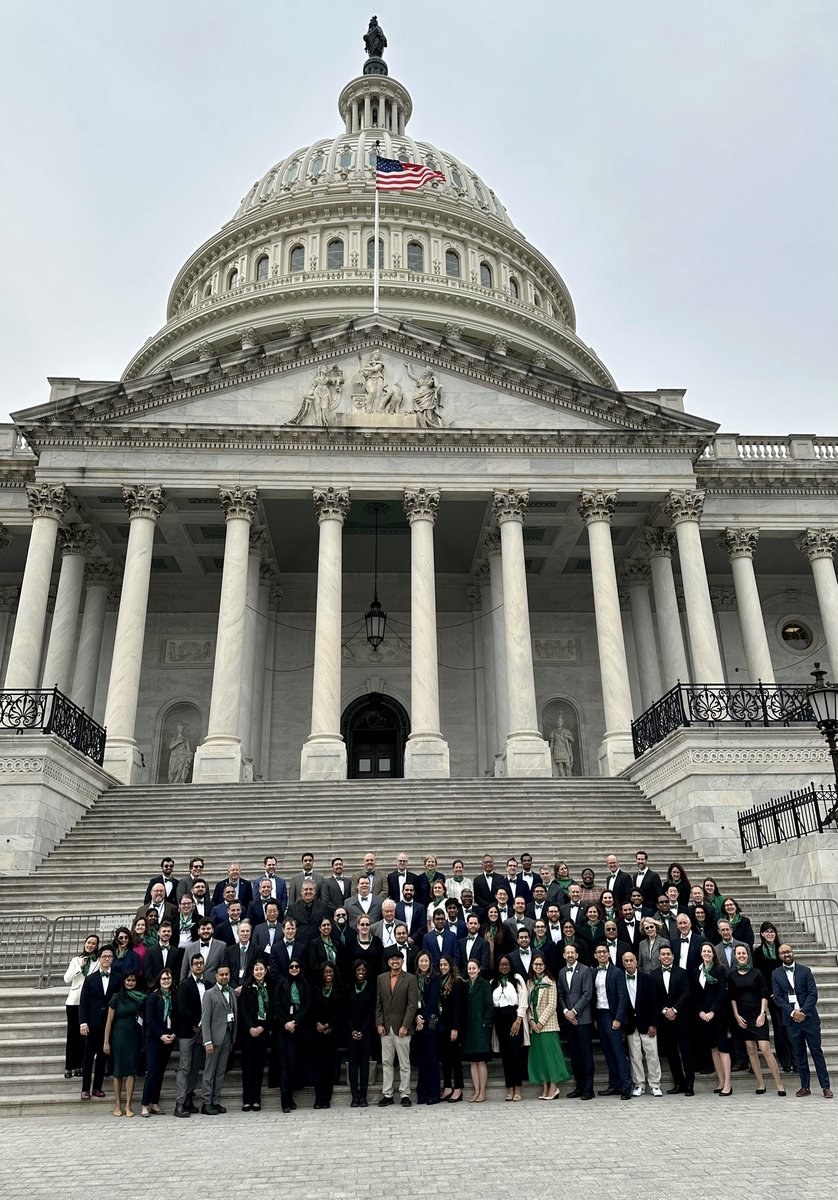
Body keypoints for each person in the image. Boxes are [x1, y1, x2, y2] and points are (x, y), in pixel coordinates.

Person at [772, 944, 832, 1099]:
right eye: (783, 952)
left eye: (788, 951)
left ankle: (826, 1087)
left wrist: (803, 1012)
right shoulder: (776, 974)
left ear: (793, 953)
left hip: (809, 1019)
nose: (786, 954)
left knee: (816, 1052)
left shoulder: (805, 971)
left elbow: (813, 994)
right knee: (799, 1054)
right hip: (792, 1021)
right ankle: (805, 1086)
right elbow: (778, 997)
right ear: (779, 956)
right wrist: (793, 1013)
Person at [728, 943, 785, 1095]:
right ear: (735, 956)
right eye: (739, 954)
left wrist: (762, 1013)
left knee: (765, 1048)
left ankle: (779, 1084)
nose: (741, 956)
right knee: (751, 1049)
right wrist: (736, 1015)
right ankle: (761, 1084)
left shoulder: (756, 973)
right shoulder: (732, 975)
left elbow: (764, 994)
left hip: (758, 1014)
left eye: (744, 953)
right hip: (743, 1016)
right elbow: (732, 997)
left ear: (747, 955)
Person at [376, 945, 418, 1107]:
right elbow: (378, 1003)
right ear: (388, 962)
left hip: (402, 1028)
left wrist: (406, 1025)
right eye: (392, 959)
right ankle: (387, 1094)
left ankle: (405, 1094)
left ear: (402, 961)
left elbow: (412, 1005)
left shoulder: (410, 979)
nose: (395, 961)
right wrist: (379, 1023)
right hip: (386, 1027)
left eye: (398, 959)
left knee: (404, 1063)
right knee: (387, 1062)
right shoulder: (381, 978)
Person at [590, 943, 633, 1099]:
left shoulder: (617, 972)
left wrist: (618, 1018)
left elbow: (623, 997)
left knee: (618, 1052)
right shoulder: (594, 973)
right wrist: (595, 1018)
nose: (602, 954)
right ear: (595, 955)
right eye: (599, 952)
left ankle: (626, 1086)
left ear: (608, 954)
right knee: (608, 1052)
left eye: (604, 952)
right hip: (600, 1015)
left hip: (612, 1015)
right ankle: (614, 1085)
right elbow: (593, 996)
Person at [527, 954, 571, 1101]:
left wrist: (540, 1022)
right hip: (534, 1026)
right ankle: (545, 1085)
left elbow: (552, 1005)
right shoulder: (530, 983)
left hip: (547, 1026)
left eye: (540, 964)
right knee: (540, 1058)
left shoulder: (550, 982)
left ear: (545, 966)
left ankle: (554, 1086)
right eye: (535, 964)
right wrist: (531, 1020)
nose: (538, 967)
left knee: (551, 1058)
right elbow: (528, 1004)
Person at [651, 944, 694, 1095]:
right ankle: (678, 1083)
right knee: (671, 1053)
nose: (666, 957)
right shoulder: (653, 974)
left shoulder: (682, 972)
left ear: (673, 956)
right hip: (665, 1020)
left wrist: (674, 1009)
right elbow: (653, 997)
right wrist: (664, 1011)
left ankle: (690, 1084)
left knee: (686, 1051)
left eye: (668, 954)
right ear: (659, 957)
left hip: (681, 1017)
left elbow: (687, 993)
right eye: (663, 954)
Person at [690, 941, 731, 1096]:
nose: (706, 953)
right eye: (704, 951)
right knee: (713, 1048)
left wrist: (713, 1011)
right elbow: (695, 995)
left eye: (709, 951)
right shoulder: (696, 971)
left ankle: (728, 1084)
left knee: (723, 1048)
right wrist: (700, 1011)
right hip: (704, 1016)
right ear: (701, 954)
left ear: (713, 954)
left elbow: (722, 993)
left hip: (718, 1015)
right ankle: (720, 1081)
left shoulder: (720, 970)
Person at [103, 970, 145, 1117]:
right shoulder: (116, 997)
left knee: (131, 1070)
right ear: (123, 981)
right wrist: (106, 1041)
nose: (130, 983)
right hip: (119, 1036)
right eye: (128, 980)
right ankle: (117, 1104)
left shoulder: (140, 997)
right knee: (119, 1070)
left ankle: (128, 1105)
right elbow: (109, 1021)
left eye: (133, 980)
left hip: (134, 1035)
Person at [621, 950, 663, 1097]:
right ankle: (639, 1084)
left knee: (652, 1054)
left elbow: (654, 1002)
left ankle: (655, 1084)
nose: (629, 963)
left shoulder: (647, 979)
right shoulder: (620, 979)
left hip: (647, 1023)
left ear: (636, 962)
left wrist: (653, 1023)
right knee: (635, 1056)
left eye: (631, 960)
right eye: (626, 961)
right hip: (631, 1024)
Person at [78, 945, 116, 1101]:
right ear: (99, 958)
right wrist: (83, 1022)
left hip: (108, 1024)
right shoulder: (90, 979)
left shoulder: (118, 977)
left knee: (102, 1056)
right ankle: (85, 1089)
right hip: (92, 1023)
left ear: (113, 959)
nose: (106, 959)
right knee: (88, 1057)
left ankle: (97, 1088)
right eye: (104, 956)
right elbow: (83, 1002)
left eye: (109, 956)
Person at [556, 943, 594, 1099]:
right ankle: (579, 1086)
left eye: (573, 952)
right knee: (574, 1055)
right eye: (568, 953)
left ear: (577, 955)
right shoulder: (561, 972)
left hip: (583, 1019)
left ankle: (588, 1089)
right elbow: (560, 994)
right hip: (568, 1020)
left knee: (586, 1055)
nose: (570, 955)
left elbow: (587, 994)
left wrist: (574, 1011)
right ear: (564, 955)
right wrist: (566, 1011)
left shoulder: (585, 970)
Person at [754, 921, 793, 1071]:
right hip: (771, 995)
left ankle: (796, 1060)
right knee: (779, 1027)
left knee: (790, 1026)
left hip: (787, 994)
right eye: (767, 931)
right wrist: (770, 993)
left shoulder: (781, 949)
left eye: (772, 931)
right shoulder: (758, 952)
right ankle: (786, 1062)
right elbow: (760, 975)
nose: (770, 934)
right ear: (762, 934)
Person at [272, 958, 310, 1113]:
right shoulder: (281, 983)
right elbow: (276, 1004)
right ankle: (285, 1100)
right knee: (284, 1065)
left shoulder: (305, 984)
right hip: (283, 1030)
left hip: (298, 1029)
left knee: (294, 1064)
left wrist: (295, 1022)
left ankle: (291, 1097)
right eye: (291, 967)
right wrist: (286, 1023)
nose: (294, 969)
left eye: (296, 966)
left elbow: (306, 1005)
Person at [200, 962, 238, 1114]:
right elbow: (205, 1019)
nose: (224, 977)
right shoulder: (209, 994)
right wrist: (207, 1041)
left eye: (226, 974)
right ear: (216, 976)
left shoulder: (232, 992)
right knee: (209, 1072)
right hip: (213, 1039)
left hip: (227, 1037)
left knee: (220, 1072)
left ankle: (215, 1101)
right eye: (221, 974)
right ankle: (206, 1103)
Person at [173, 953, 207, 1117]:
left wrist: (203, 1025)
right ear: (191, 966)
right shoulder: (185, 985)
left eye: (201, 963)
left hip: (202, 1033)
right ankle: (179, 1104)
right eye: (195, 963)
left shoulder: (208, 984)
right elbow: (182, 1008)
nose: (198, 966)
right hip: (188, 1032)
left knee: (195, 1068)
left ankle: (188, 1098)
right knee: (185, 1067)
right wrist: (197, 1023)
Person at [140, 967, 176, 1116]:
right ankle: (145, 1104)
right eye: (163, 978)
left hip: (169, 1038)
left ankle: (154, 1103)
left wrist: (174, 1034)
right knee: (152, 1072)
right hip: (154, 1039)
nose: (166, 981)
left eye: (168, 978)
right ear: (159, 981)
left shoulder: (174, 997)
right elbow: (150, 1020)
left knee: (160, 1072)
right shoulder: (153, 997)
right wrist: (161, 1035)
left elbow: (177, 1017)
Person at [491, 955, 528, 1101]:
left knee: (515, 1054)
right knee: (505, 1056)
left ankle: (518, 1087)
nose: (504, 967)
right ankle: (510, 1088)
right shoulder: (493, 982)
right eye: (501, 964)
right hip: (500, 1022)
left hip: (514, 1019)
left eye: (506, 964)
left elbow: (523, 1001)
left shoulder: (517, 979)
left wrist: (518, 1020)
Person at [63, 934, 99, 1079]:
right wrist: (80, 967)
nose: (90, 945)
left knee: (83, 1036)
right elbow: (67, 979)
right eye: (88, 942)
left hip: (88, 1003)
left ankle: (79, 1065)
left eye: (93, 944)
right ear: (85, 944)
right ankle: (69, 1066)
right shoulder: (75, 960)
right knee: (72, 1035)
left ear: (96, 946)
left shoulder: (97, 962)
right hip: (74, 1001)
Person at [239, 958, 272, 1111]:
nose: (259, 972)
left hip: (263, 1031)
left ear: (266, 970)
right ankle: (247, 1099)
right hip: (248, 1032)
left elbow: (272, 1009)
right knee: (248, 1066)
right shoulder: (246, 987)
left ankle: (256, 1099)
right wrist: (251, 1027)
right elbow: (243, 1009)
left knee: (259, 1065)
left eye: (261, 969)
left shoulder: (270, 987)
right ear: (252, 972)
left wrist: (263, 1027)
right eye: (256, 969)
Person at [310, 962, 342, 1109]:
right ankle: (318, 1098)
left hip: (332, 1034)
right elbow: (311, 1010)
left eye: (330, 971)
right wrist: (318, 1024)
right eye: (325, 972)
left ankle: (326, 1099)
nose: (328, 974)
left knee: (329, 1067)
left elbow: (341, 1012)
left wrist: (329, 1025)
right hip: (317, 1034)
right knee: (318, 1068)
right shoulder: (315, 989)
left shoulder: (339, 989)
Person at [461, 958, 493, 1102]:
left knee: (481, 1061)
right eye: (469, 968)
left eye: (474, 968)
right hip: (469, 1029)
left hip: (480, 1028)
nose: (472, 971)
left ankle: (483, 1092)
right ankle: (476, 1091)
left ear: (479, 969)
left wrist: (485, 1023)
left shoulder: (484, 984)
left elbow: (489, 1006)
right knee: (473, 1062)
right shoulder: (464, 985)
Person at [346, 959, 376, 1107]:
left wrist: (363, 1030)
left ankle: (363, 1096)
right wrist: (352, 1030)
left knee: (364, 1063)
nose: (361, 972)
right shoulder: (348, 987)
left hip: (366, 1031)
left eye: (363, 970)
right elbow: (345, 1012)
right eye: (358, 970)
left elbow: (372, 1011)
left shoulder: (371, 987)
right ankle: (354, 1096)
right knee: (352, 1063)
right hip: (351, 1032)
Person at [413, 951, 442, 1104]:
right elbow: (411, 1001)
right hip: (417, 1025)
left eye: (426, 961)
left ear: (430, 962)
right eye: (421, 961)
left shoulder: (435, 978)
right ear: (417, 962)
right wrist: (415, 1017)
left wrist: (422, 1019)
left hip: (430, 1024)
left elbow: (432, 1001)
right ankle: (422, 1094)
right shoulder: (414, 979)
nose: (423, 964)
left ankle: (434, 1094)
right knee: (422, 1061)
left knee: (432, 1060)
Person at [437, 955, 466, 1103]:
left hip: (453, 1026)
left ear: (450, 965)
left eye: (445, 965)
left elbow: (457, 1007)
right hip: (441, 1025)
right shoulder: (438, 981)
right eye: (441, 965)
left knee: (455, 1058)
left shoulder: (457, 982)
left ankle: (458, 1088)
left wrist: (455, 1028)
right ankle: (447, 1086)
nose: (443, 967)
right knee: (445, 1058)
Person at [481, 904, 506, 974]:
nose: (493, 914)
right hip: (485, 966)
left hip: (500, 966)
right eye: (491, 912)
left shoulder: (504, 929)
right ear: (487, 914)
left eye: (495, 912)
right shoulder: (482, 928)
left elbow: (508, 947)